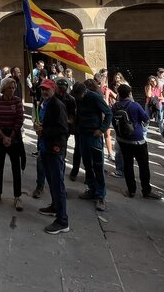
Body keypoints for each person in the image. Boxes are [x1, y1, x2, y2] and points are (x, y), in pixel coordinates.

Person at [113, 84, 162, 200]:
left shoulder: (115, 106)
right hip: (138, 141)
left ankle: (131, 190)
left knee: (128, 166)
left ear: (118, 94)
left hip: (123, 141)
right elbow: (145, 118)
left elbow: (113, 121)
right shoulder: (135, 106)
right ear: (130, 94)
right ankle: (146, 190)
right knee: (143, 166)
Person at [34, 78, 69, 234]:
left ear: (54, 89)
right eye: (42, 89)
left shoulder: (58, 105)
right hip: (45, 147)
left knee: (57, 183)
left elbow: (63, 129)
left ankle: (62, 221)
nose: (44, 91)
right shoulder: (45, 103)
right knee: (51, 180)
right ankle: (55, 206)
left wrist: (44, 131)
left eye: (47, 89)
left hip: (55, 149)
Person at [71, 82, 110, 211]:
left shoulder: (95, 97)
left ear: (84, 92)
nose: (78, 98)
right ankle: (92, 189)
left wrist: (102, 129)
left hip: (94, 135)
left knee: (97, 165)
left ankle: (100, 195)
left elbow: (108, 113)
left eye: (79, 96)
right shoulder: (77, 99)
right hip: (82, 134)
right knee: (87, 164)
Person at [0, 77, 25, 211]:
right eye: (10, 87)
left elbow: (19, 119)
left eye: (14, 87)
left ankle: (17, 196)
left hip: (14, 137)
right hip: (0, 137)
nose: (12, 90)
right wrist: (3, 137)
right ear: (3, 89)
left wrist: (11, 137)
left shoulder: (17, 101)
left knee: (16, 167)